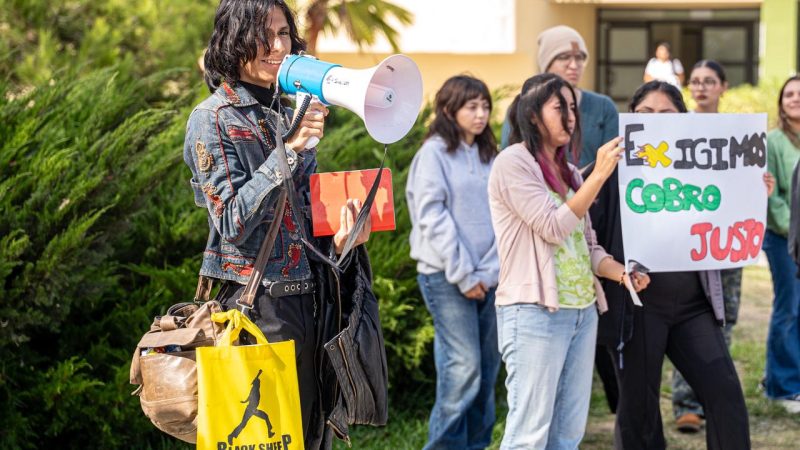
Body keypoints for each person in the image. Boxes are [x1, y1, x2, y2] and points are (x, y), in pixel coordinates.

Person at [183, 1, 372, 448]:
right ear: (232, 40)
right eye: (262, 33)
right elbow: (231, 220)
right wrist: (289, 149)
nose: (276, 45)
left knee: (313, 436)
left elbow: (299, 215)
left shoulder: (288, 113)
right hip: (258, 312)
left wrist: (340, 239)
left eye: (284, 33)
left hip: (312, 304)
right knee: (262, 438)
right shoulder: (212, 119)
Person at [489, 73, 650, 449]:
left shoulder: (570, 172)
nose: (571, 115)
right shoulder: (513, 163)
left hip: (582, 311)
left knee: (567, 433)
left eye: (574, 107)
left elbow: (588, 246)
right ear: (532, 115)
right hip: (533, 313)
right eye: (559, 106)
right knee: (529, 434)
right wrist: (599, 175)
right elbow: (552, 226)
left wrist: (621, 273)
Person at [587, 81, 751, 450]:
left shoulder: (705, 164)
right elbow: (579, 205)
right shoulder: (611, 165)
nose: (656, 122)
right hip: (638, 309)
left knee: (725, 394)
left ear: (684, 120)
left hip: (693, 306)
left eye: (667, 115)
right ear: (630, 119)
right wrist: (600, 170)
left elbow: (732, 203)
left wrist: (754, 191)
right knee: (639, 412)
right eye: (645, 114)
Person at [406, 75, 501, 450]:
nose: (481, 114)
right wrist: (465, 274)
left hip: (489, 278)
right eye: (471, 106)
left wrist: (488, 272)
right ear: (449, 109)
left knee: (486, 369)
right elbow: (432, 217)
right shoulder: (433, 154)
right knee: (464, 368)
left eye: (485, 106)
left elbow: (504, 216)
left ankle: (475, 445)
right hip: (445, 277)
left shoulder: (490, 155)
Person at [501, 26, 618, 169]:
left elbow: (613, 161)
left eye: (579, 57)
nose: (574, 65)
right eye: (564, 57)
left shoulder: (603, 106)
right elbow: (510, 161)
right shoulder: (523, 106)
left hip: (595, 189)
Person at [764, 75, 800, 413]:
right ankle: (782, 386)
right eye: (789, 94)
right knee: (788, 309)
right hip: (782, 238)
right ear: (781, 102)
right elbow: (773, 199)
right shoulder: (773, 142)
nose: (795, 98)